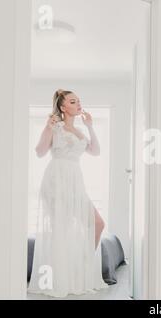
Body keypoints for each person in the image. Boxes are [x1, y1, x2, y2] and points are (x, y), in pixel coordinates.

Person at [28, 89, 108, 297]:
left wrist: (90, 126)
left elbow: (95, 151)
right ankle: (58, 279)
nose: (78, 104)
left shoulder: (80, 131)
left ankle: (79, 270)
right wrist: (47, 128)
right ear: (63, 107)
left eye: (79, 100)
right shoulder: (56, 127)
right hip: (57, 180)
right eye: (73, 101)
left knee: (98, 223)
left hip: (75, 181)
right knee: (60, 230)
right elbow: (39, 152)